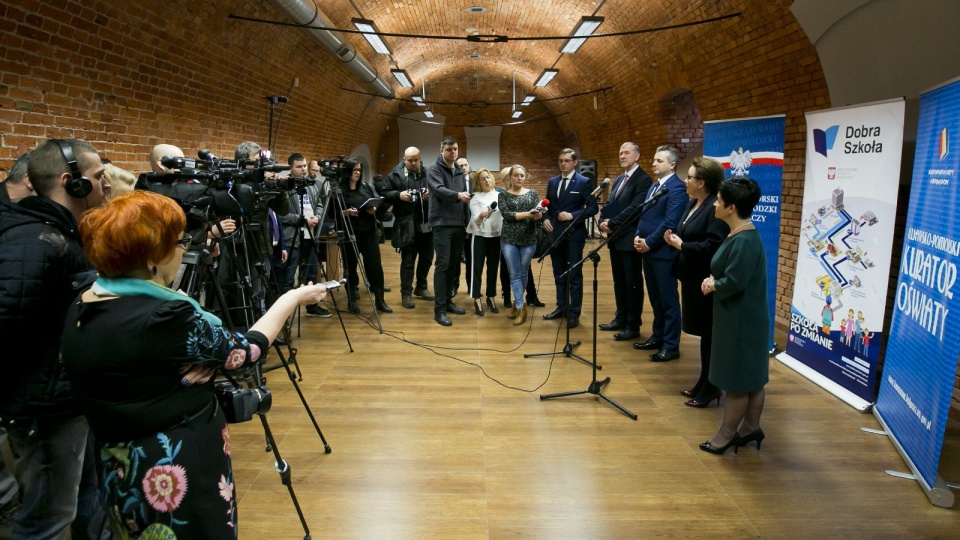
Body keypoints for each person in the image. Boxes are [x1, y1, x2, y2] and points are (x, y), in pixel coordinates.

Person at [60, 190, 328, 537]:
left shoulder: (86, 300)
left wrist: (201, 361)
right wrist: (291, 298)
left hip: (118, 464)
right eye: (179, 242)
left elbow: (142, 363)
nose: (185, 249)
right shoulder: (165, 316)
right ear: (153, 257)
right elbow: (244, 352)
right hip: (172, 468)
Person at [0, 138, 110, 538]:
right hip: (45, 411)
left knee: (79, 503)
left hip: (62, 399)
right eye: (98, 177)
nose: (106, 185)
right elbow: (8, 325)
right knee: (45, 523)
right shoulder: (38, 243)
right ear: (72, 182)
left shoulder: (59, 234)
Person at [699, 177, 769, 454]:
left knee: (738, 382)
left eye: (718, 200)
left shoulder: (744, 240)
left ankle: (726, 436)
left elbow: (736, 282)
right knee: (752, 377)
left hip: (740, 319)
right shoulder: (740, 233)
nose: (714, 204)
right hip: (743, 316)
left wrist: (714, 283)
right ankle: (751, 428)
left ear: (731, 207)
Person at [663, 157, 729, 408]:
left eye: (689, 177)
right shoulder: (693, 203)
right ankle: (704, 381)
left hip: (705, 279)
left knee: (710, 334)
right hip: (690, 277)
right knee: (703, 334)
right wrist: (675, 239)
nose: (686, 181)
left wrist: (681, 244)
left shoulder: (715, 207)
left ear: (701, 182)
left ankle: (711, 387)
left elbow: (714, 245)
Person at [632, 145, 688, 361]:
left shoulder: (677, 188)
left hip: (663, 252)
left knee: (668, 299)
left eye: (659, 161)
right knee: (655, 297)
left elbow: (670, 222)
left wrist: (649, 243)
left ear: (672, 165)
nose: (654, 164)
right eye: (654, 160)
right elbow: (645, 215)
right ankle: (658, 336)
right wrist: (638, 235)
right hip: (648, 249)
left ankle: (671, 345)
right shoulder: (655, 186)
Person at [598, 143, 652, 341]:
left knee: (632, 283)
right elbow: (611, 205)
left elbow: (635, 208)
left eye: (626, 153)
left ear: (636, 156)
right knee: (619, 282)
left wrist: (611, 223)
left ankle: (632, 325)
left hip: (630, 239)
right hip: (615, 238)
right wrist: (601, 222)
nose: (622, 156)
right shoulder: (619, 178)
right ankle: (620, 318)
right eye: (620, 152)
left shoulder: (643, 179)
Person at [541, 148, 598, 329]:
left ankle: (574, 312)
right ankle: (561, 307)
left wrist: (572, 215)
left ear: (575, 163)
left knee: (574, 273)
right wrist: (544, 219)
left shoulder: (584, 182)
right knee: (558, 272)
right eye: (560, 160)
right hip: (556, 234)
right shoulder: (552, 182)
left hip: (574, 234)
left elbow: (592, 208)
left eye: (566, 160)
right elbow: (546, 206)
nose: (563, 164)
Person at [382, 147, 434, 309]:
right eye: (409, 160)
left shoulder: (427, 173)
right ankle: (406, 293)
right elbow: (384, 193)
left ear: (420, 159)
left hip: (426, 223)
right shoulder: (395, 175)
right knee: (408, 261)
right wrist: (399, 195)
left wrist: (429, 193)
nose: (413, 163)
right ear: (404, 159)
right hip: (406, 224)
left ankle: (421, 287)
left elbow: (437, 191)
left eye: (416, 160)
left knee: (426, 258)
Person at [426, 137, 470, 326]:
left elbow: (466, 198)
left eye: (456, 149)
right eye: (450, 149)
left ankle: (449, 301)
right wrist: (458, 195)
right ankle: (439, 310)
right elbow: (439, 189)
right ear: (441, 150)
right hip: (442, 223)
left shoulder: (459, 170)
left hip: (459, 224)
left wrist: (467, 223)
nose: (453, 152)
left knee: (453, 266)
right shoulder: (434, 169)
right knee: (443, 265)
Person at [338, 159, 390, 314]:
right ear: (347, 172)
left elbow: (376, 202)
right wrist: (346, 212)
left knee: (374, 265)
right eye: (354, 170)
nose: (358, 173)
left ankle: (380, 300)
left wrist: (373, 208)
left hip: (368, 232)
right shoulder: (339, 191)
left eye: (359, 170)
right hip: (350, 233)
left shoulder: (366, 187)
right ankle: (352, 298)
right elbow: (331, 214)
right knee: (350, 267)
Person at [498, 164, 542, 326]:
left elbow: (539, 212)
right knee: (515, 274)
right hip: (509, 239)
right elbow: (507, 215)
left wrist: (537, 216)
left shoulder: (532, 194)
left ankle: (517, 305)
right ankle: (521, 306)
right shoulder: (503, 196)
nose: (519, 178)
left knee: (523, 274)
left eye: (522, 175)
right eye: (516, 175)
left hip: (528, 239)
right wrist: (529, 214)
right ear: (510, 177)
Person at [466, 168, 503, 315]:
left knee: (493, 268)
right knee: (477, 269)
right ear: (478, 182)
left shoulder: (500, 195)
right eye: (482, 179)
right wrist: (481, 215)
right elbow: (476, 218)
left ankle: (491, 296)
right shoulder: (475, 197)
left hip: (496, 236)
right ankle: (476, 298)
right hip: (480, 236)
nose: (486, 181)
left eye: (488, 177)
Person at [455, 156, 472, 296]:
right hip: (457, 224)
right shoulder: (453, 183)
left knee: (471, 259)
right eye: (460, 165)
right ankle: (454, 286)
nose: (463, 167)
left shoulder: (475, 183)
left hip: (473, 226)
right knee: (455, 259)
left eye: (465, 165)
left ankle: (471, 287)